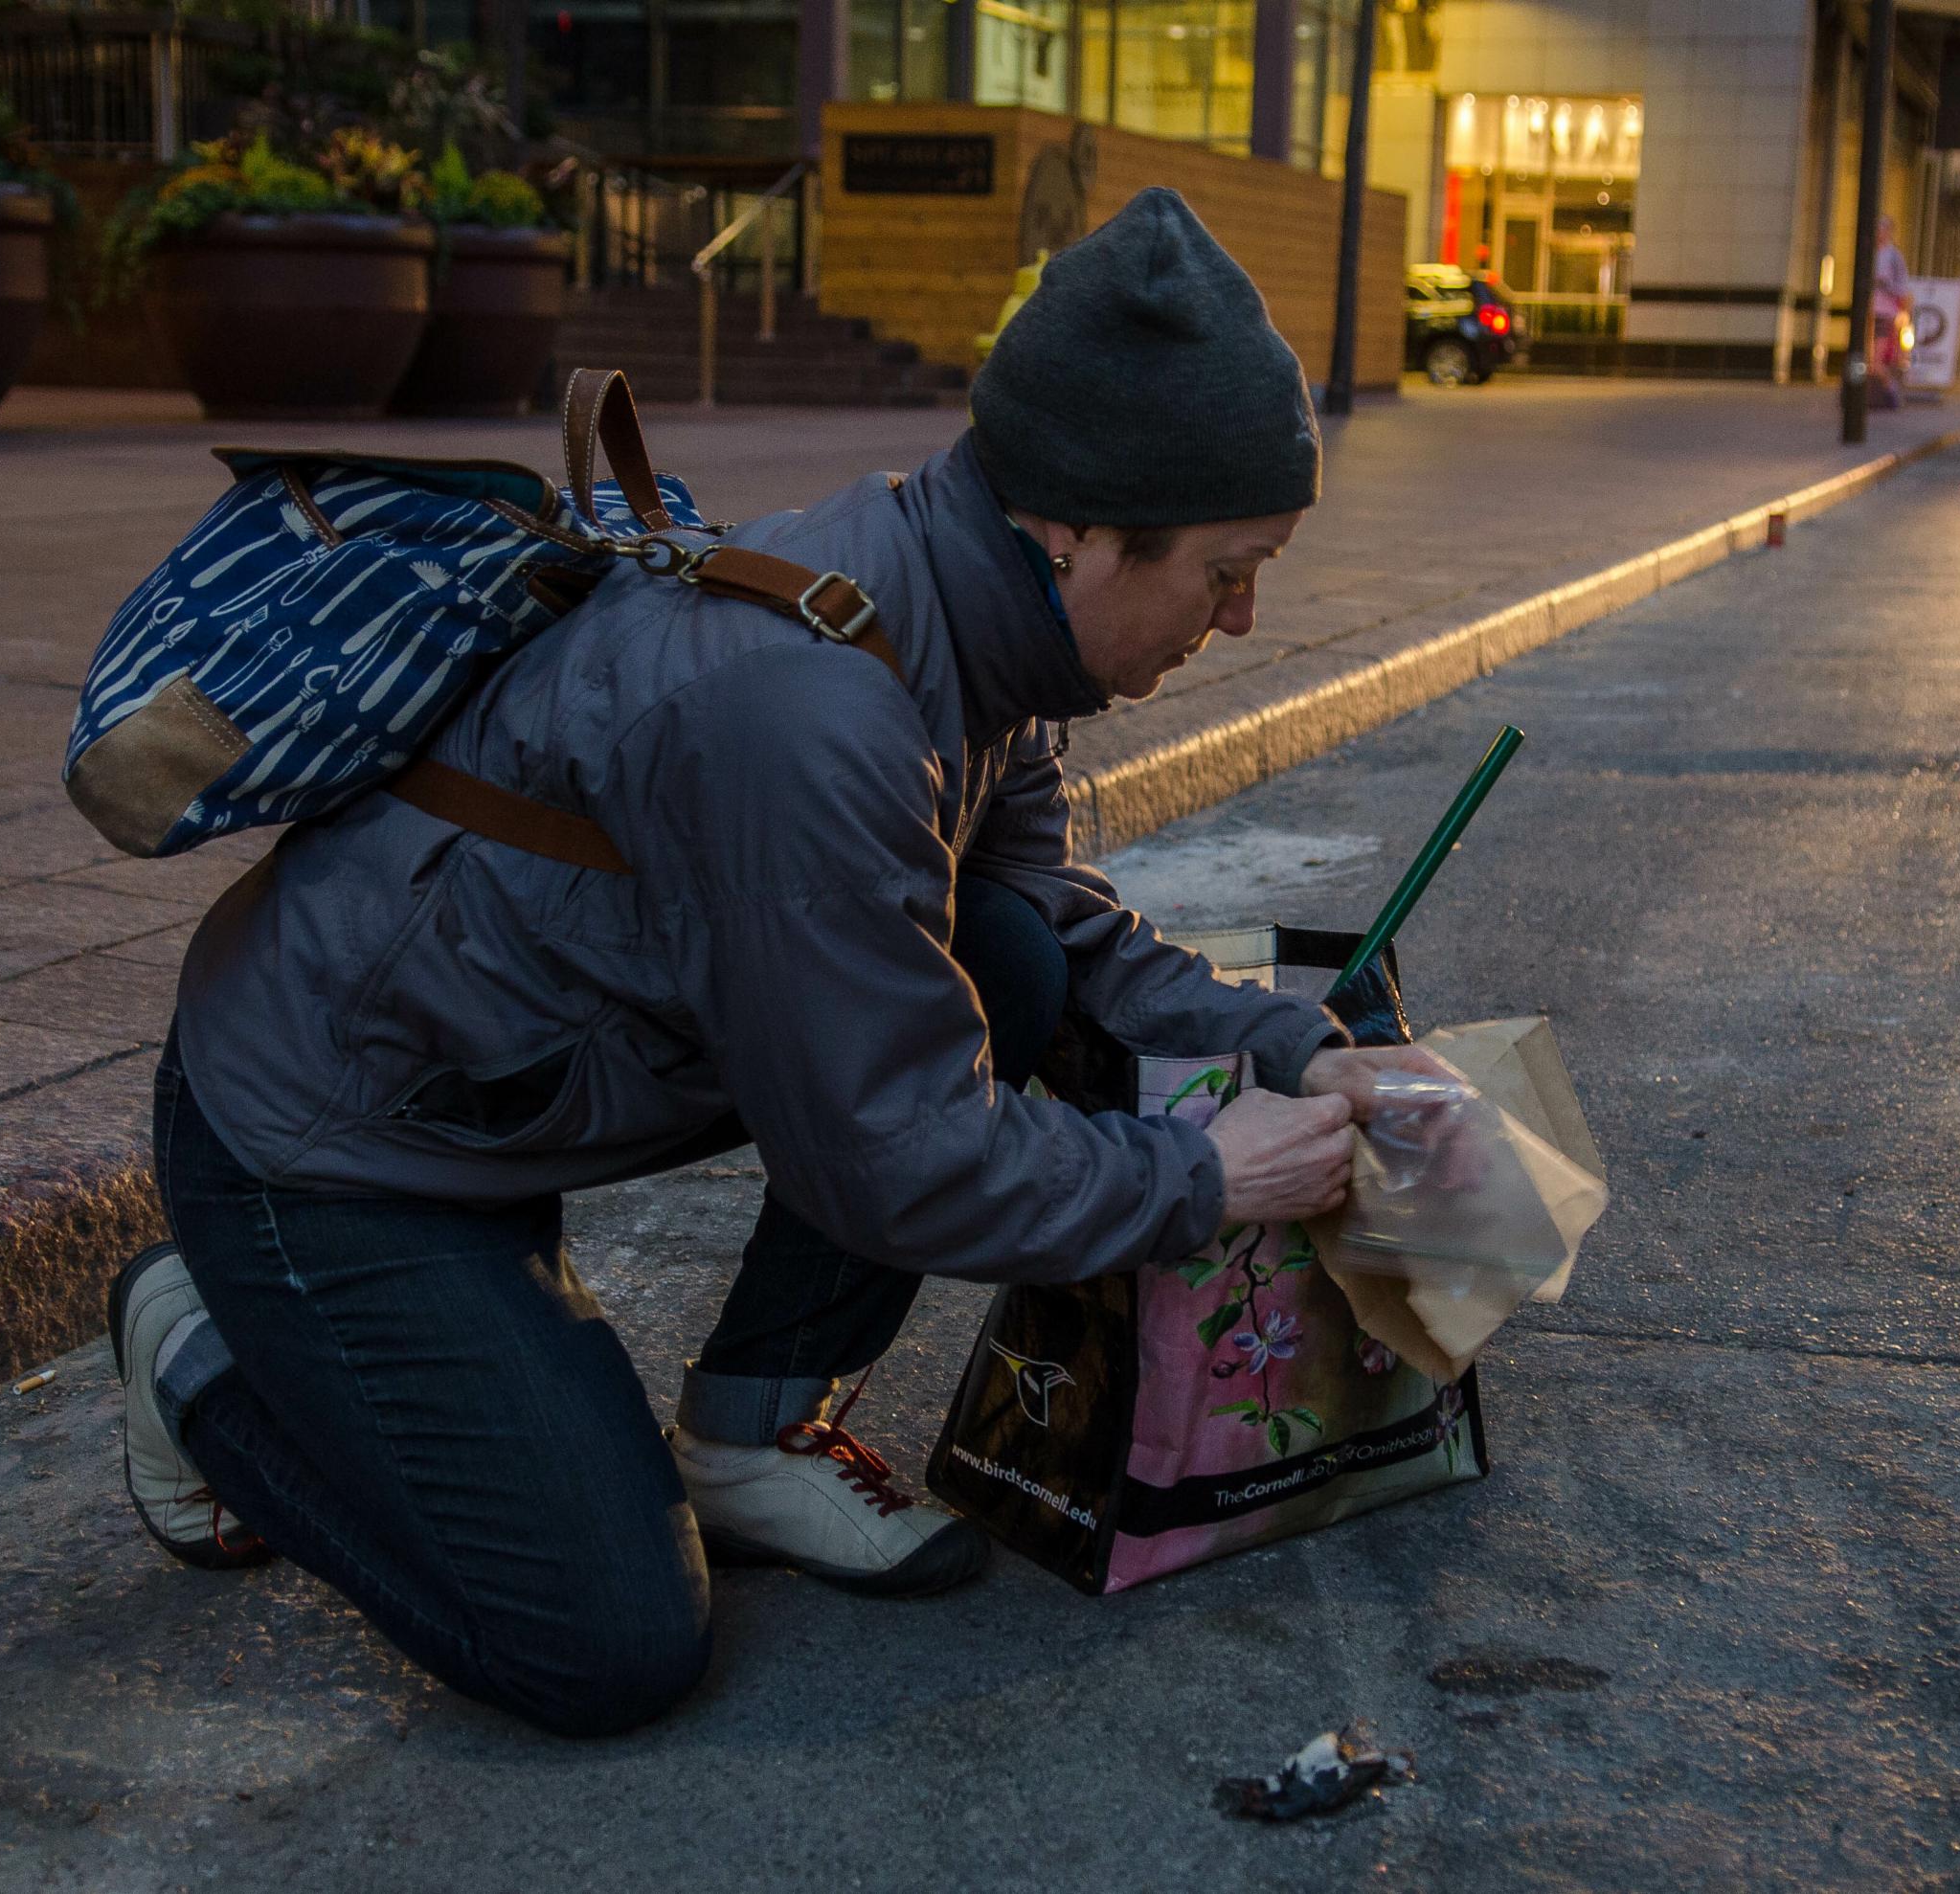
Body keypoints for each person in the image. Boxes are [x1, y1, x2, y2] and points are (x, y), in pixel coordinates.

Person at [118, 188, 1456, 1738]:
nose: (1240, 617)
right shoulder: (816, 714)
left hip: (514, 1078)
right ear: (1074, 531)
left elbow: (1041, 923)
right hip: (329, 1146)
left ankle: (748, 1436)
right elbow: (893, 1157)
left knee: (1003, 959)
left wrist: (1286, 1046)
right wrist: (1202, 1176)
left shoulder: (973, 622)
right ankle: (198, 1349)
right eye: (1227, 569)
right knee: (600, 1642)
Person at [1871, 213, 1910, 410]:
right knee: (1867, 359)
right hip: (1869, 312)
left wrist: (1887, 286)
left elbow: (1902, 286)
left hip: (1885, 312)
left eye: (1882, 229)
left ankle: (1890, 389)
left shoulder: (1894, 257)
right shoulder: (1870, 253)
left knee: (1876, 359)